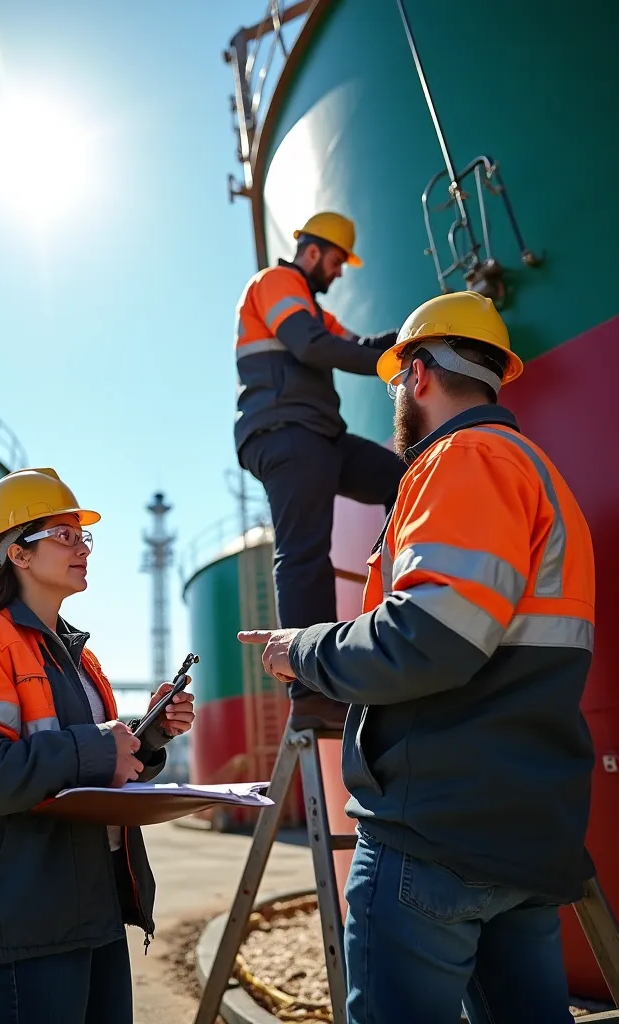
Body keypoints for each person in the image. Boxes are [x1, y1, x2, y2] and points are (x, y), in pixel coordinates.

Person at [239, 291, 596, 1024]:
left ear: (421, 373)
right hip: (524, 827)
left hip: (436, 827)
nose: (397, 393)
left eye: (397, 379)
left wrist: (301, 649)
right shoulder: (541, 474)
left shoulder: (460, 460)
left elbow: (428, 639)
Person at [0, 467, 195, 1024]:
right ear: (18, 554)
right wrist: (99, 746)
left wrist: (150, 736)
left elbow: (97, 765)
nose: (83, 549)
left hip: (98, 904)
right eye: (64, 535)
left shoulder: (81, 657)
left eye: (84, 536)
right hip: (31, 914)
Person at [233, 211, 406, 729]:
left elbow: (358, 346)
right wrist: (388, 360)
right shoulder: (275, 282)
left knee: (402, 479)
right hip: (286, 432)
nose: (338, 272)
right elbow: (311, 347)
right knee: (305, 554)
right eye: (335, 261)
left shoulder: (309, 307)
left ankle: (403, 596)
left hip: (320, 437)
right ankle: (309, 691)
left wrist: (410, 341)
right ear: (312, 252)